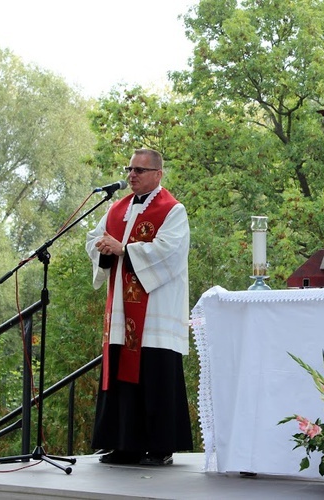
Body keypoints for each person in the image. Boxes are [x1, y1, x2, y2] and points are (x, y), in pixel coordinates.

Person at [85, 148, 193, 466]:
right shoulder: (116, 209)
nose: (132, 174)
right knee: (121, 374)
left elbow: (169, 252)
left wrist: (123, 249)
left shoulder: (173, 210)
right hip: (122, 313)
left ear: (158, 174)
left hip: (156, 314)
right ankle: (124, 444)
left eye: (140, 170)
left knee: (155, 375)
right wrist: (102, 248)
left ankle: (160, 446)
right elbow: (94, 238)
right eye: (130, 169)